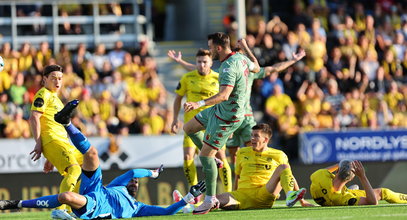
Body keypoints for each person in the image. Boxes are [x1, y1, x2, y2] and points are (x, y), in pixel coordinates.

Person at [0, 100, 206, 219]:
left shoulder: (138, 208)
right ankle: (66, 122)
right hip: (96, 187)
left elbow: (167, 211)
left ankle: (15, 203)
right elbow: (133, 173)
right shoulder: (118, 186)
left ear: (138, 190)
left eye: (135, 183)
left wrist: (189, 196)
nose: (133, 181)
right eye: (133, 182)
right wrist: (152, 173)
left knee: (66, 197)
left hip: (94, 205)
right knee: (92, 155)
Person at [183, 32, 260, 214]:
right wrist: (247, 48)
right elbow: (256, 67)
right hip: (220, 110)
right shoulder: (241, 57)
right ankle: (214, 159)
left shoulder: (227, 68)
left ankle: (210, 199)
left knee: (204, 157)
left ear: (218, 48)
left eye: (210, 47)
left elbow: (224, 95)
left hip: (227, 117)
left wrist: (198, 104)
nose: (210, 50)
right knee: (189, 128)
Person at [168, 48, 233, 195]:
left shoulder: (219, 78)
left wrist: (229, 126)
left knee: (221, 158)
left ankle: (228, 193)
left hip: (213, 125)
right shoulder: (187, 78)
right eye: (199, 62)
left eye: (205, 62)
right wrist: (174, 119)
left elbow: (226, 100)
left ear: (211, 63)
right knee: (187, 157)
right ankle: (195, 194)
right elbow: (177, 98)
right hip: (192, 125)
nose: (202, 65)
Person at [28, 64, 83, 219]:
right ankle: (60, 209)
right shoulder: (43, 94)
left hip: (62, 143)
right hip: (52, 140)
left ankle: (75, 207)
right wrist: (38, 142)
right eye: (53, 78)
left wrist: (50, 157)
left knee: (89, 165)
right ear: (45, 79)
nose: (57, 81)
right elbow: (34, 117)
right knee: (74, 170)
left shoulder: (57, 99)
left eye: (60, 78)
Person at [217, 123, 312, 210]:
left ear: (265, 140)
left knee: (283, 167)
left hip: (264, 194)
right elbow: (238, 176)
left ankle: (290, 195)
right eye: (252, 135)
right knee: (214, 200)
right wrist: (233, 194)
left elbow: (289, 176)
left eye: (256, 136)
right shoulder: (242, 152)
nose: (252, 139)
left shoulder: (278, 154)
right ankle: (231, 203)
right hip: (242, 195)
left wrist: (302, 201)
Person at [310, 159, 407, 206]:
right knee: (385, 193)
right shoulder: (342, 198)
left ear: (337, 170)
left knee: (351, 190)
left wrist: (344, 165)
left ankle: (351, 189)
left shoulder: (319, 176)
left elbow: (323, 172)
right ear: (350, 179)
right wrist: (362, 176)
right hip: (343, 193)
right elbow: (373, 202)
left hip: (326, 195)